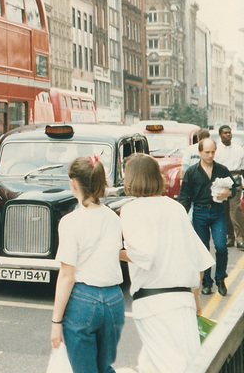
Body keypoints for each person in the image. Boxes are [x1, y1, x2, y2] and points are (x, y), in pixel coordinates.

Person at [119, 154, 214, 373]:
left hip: (153, 302)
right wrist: (195, 298)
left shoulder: (132, 210)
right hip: (183, 301)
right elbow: (199, 260)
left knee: (167, 366)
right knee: (184, 365)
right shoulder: (175, 208)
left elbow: (144, 255)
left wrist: (117, 253)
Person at [50, 156, 124, 373]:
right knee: (104, 367)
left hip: (83, 301)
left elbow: (67, 275)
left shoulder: (70, 222)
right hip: (114, 300)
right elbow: (114, 252)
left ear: (73, 183)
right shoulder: (113, 218)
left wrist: (56, 322)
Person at [177, 138, 234, 295]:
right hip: (200, 212)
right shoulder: (192, 172)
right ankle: (206, 282)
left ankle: (220, 278)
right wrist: (181, 217)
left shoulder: (222, 169)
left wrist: (229, 192)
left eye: (213, 152)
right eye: (207, 152)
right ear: (200, 152)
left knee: (221, 246)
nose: (210, 155)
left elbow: (234, 188)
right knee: (202, 249)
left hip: (218, 211)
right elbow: (184, 197)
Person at [215, 125, 244, 249]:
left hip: (235, 178)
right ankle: (230, 236)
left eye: (229, 133)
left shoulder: (238, 149)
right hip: (221, 180)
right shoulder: (216, 149)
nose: (228, 135)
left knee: (235, 209)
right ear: (220, 134)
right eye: (225, 133)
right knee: (224, 210)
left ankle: (240, 237)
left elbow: (242, 168)